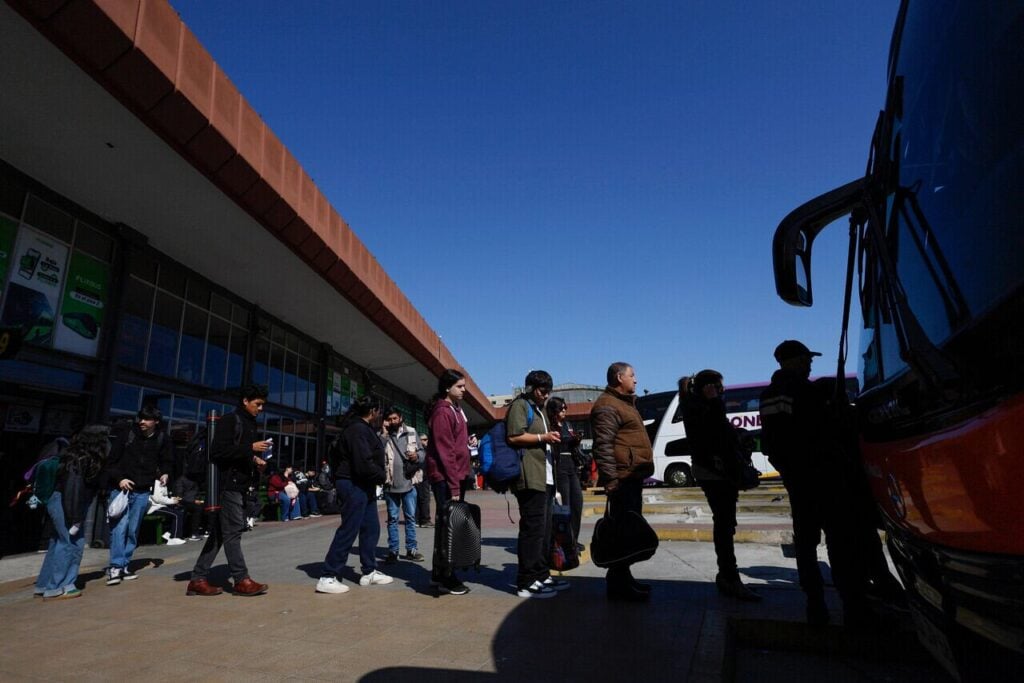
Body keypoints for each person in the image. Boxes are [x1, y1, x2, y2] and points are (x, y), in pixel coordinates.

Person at [760, 340, 869, 625]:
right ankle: (853, 608)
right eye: (806, 358)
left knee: (807, 546)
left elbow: (772, 444)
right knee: (840, 543)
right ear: (792, 360)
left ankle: (816, 606)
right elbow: (825, 432)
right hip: (824, 478)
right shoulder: (806, 391)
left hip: (800, 481)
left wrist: (791, 473)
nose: (810, 363)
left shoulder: (771, 394)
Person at [678, 370, 762, 602]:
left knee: (725, 523)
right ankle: (729, 577)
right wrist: (715, 402)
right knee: (724, 525)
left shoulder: (699, 406)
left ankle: (727, 575)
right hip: (716, 473)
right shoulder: (700, 408)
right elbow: (715, 434)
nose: (722, 391)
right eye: (719, 387)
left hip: (717, 472)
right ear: (709, 387)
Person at [185, 384, 271, 597]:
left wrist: (255, 461)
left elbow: (237, 454)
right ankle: (241, 579)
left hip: (238, 484)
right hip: (227, 485)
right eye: (257, 404)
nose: (260, 408)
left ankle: (198, 578)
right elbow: (218, 452)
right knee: (233, 531)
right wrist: (250, 449)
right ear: (245, 401)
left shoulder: (249, 424)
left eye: (262, 405)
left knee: (220, 534)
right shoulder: (231, 420)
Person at [590, 362, 655, 602]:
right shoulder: (607, 406)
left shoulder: (623, 404)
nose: (636, 380)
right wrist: (611, 481)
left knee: (627, 532)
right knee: (622, 532)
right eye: (632, 375)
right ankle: (618, 584)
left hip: (631, 476)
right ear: (620, 377)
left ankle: (624, 579)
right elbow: (603, 447)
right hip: (622, 479)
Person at [315, 396, 392, 594]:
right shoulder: (357, 429)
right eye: (379, 412)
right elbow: (363, 462)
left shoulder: (363, 428)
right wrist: (382, 476)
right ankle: (328, 575)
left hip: (363, 484)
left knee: (371, 527)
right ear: (373, 411)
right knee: (349, 528)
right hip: (352, 483)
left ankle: (369, 570)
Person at [506, 370, 568, 599]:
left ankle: (540, 573)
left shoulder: (538, 409)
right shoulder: (520, 406)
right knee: (532, 530)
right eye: (543, 391)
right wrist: (543, 438)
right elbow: (513, 436)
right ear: (531, 388)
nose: (546, 396)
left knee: (544, 529)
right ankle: (525, 580)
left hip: (545, 476)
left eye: (548, 392)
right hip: (529, 477)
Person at [34, 426, 110, 600]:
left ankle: (44, 584)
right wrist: (75, 518)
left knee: (57, 541)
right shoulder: (82, 458)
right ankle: (60, 585)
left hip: (58, 500)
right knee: (72, 542)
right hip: (67, 503)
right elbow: (73, 491)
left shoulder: (72, 454)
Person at [104, 405, 174, 585]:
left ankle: (125, 564)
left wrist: (164, 473)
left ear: (156, 422)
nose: (142, 422)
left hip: (143, 490)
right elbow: (111, 462)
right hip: (121, 490)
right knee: (119, 528)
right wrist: (120, 479)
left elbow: (167, 461)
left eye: (146, 419)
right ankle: (116, 566)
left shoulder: (161, 439)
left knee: (133, 529)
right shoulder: (128, 434)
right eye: (140, 418)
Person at [425, 369, 474, 595]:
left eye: (464, 386)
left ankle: (440, 573)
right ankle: (447, 576)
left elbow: (455, 444)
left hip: (456, 475)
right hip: (446, 479)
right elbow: (445, 452)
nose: (464, 390)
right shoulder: (443, 412)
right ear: (447, 388)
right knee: (449, 528)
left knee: (449, 526)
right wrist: (454, 486)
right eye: (459, 386)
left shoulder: (456, 410)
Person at [380, 407, 425, 564]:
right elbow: (377, 452)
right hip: (390, 484)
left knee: (410, 518)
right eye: (389, 419)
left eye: (394, 418)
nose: (392, 421)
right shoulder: (384, 436)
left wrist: (417, 456)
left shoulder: (412, 432)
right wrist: (384, 432)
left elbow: (423, 453)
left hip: (409, 483)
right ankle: (393, 551)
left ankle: (411, 550)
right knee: (392, 519)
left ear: (400, 418)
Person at [546, 396, 584, 553]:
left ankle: (574, 538)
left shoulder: (567, 424)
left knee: (578, 502)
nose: (564, 411)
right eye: (561, 408)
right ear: (554, 410)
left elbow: (571, 441)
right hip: (559, 465)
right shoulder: (550, 425)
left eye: (565, 408)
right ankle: (566, 541)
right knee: (565, 505)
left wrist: (576, 439)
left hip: (572, 466)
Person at [147, 478, 188, 545]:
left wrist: (172, 498)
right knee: (177, 514)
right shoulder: (156, 483)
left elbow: (164, 497)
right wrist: (172, 501)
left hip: (161, 506)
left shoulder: (163, 483)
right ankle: (174, 538)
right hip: (154, 508)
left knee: (182, 511)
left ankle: (169, 533)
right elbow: (158, 498)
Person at [415, 434, 433, 527]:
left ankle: (418, 519)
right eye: (423, 439)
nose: (425, 441)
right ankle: (424, 520)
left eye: (426, 439)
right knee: (424, 498)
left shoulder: (426, 450)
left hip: (425, 476)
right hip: (421, 476)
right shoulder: (420, 451)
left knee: (421, 498)